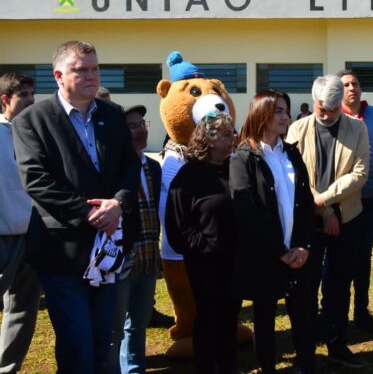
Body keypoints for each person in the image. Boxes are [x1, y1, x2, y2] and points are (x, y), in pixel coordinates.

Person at [12, 40, 139, 374]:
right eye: (80, 69)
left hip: (110, 248)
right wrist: (90, 213)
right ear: (58, 75)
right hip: (62, 252)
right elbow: (37, 180)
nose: (91, 76)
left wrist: (119, 203)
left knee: (105, 341)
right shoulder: (32, 121)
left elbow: (130, 166)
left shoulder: (111, 115)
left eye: (95, 68)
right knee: (76, 342)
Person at [286, 75, 369, 369]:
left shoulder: (357, 128)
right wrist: (323, 210)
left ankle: (336, 341)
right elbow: (294, 176)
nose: (327, 114)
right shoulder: (297, 128)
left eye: (333, 109)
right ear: (314, 101)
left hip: (348, 218)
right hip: (309, 219)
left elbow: (360, 173)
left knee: (339, 282)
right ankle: (305, 350)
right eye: (322, 107)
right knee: (306, 285)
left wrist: (326, 200)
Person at [230, 90, 315, 374]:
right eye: (278, 110)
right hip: (265, 257)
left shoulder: (291, 152)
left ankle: (306, 364)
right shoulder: (243, 158)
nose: (285, 116)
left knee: (303, 315)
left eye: (286, 110)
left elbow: (305, 204)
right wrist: (280, 252)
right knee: (264, 318)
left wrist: (303, 246)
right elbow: (247, 213)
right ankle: (268, 367)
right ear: (261, 114)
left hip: (298, 254)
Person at [165, 112, 239, 374]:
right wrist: (205, 247)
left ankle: (229, 366)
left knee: (230, 318)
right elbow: (177, 227)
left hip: (235, 261)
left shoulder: (236, 169)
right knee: (208, 318)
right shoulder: (188, 176)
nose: (234, 138)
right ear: (209, 139)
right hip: (205, 265)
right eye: (228, 134)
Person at [109, 105, 161, 374]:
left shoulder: (153, 166)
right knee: (115, 323)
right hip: (122, 256)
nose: (141, 129)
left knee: (139, 320)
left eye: (143, 123)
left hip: (149, 255)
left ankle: (134, 369)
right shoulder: (112, 167)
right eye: (133, 126)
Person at [337, 70, 373, 334]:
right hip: (344, 200)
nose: (351, 88)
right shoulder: (334, 116)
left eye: (355, 83)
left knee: (364, 257)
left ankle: (362, 311)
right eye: (345, 84)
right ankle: (335, 315)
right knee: (341, 258)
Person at [0, 73, 40, 373]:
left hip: (33, 237)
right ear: (5, 99)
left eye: (32, 93)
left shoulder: (35, 133)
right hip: (2, 236)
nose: (31, 99)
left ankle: (7, 368)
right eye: (23, 94)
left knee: (23, 310)